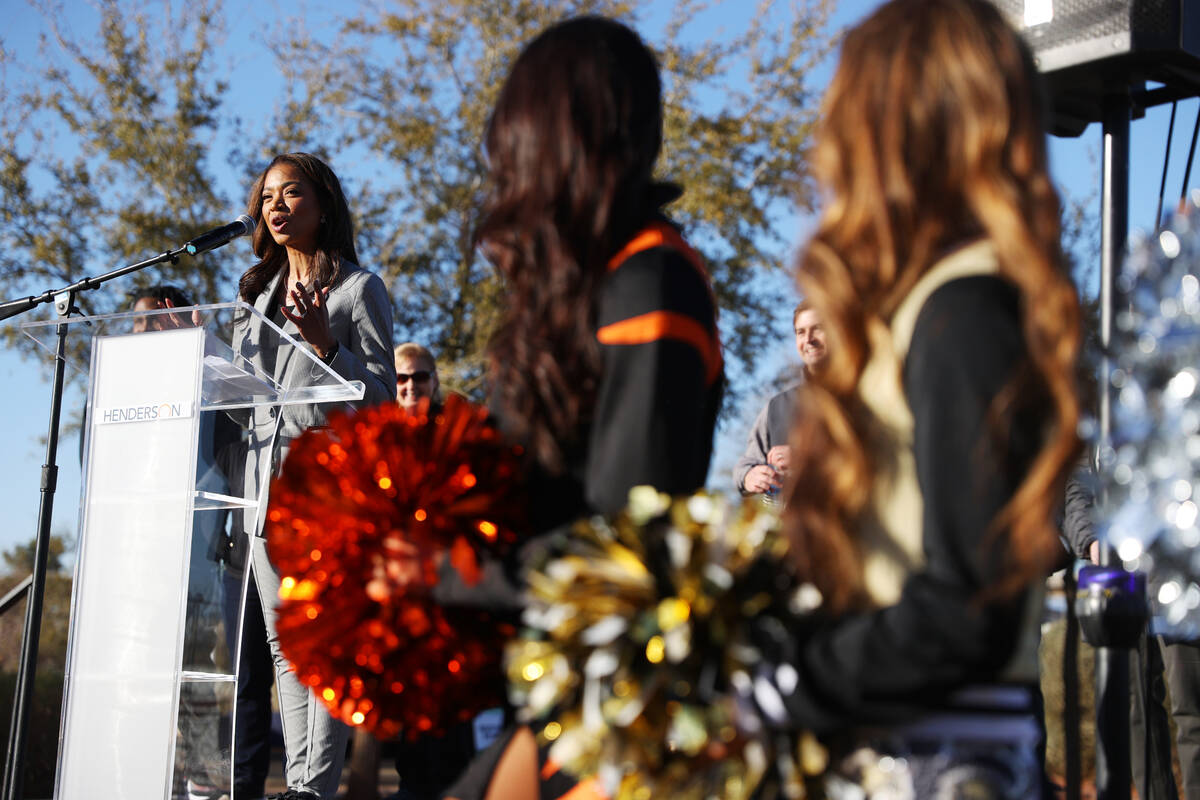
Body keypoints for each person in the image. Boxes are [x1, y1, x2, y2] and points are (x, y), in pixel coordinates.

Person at [769, 0, 1082, 795]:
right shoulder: (935, 302)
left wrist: (774, 687)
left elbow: (962, 606)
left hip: (940, 759)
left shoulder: (963, 312)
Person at [441, 15, 723, 800]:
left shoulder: (653, 282)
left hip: (630, 703)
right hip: (559, 684)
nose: (499, 157)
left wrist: (446, 572)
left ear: (549, 134)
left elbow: (622, 548)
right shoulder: (577, 288)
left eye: (511, 128)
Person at [230, 152, 397, 800]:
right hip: (260, 497)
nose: (275, 206)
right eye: (267, 196)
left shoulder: (359, 290)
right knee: (284, 654)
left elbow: (382, 403)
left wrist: (329, 348)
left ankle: (313, 790)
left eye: (291, 193)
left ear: (322, 205)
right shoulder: (253, 301)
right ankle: (303, 786)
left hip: (327, 498)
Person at [734, 301, 826, 497]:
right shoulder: (776, 406)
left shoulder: (862, 396)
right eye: (800, 332)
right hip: (788, 524)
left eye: (817, 329)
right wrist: (749, 476)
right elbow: (745, 464)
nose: (808, 339)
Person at [393, 342, 441, 412]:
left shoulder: (454, 420)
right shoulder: (378, 420)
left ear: (435, 380)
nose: (411, 386)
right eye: (402, 378)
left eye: (420, 377)